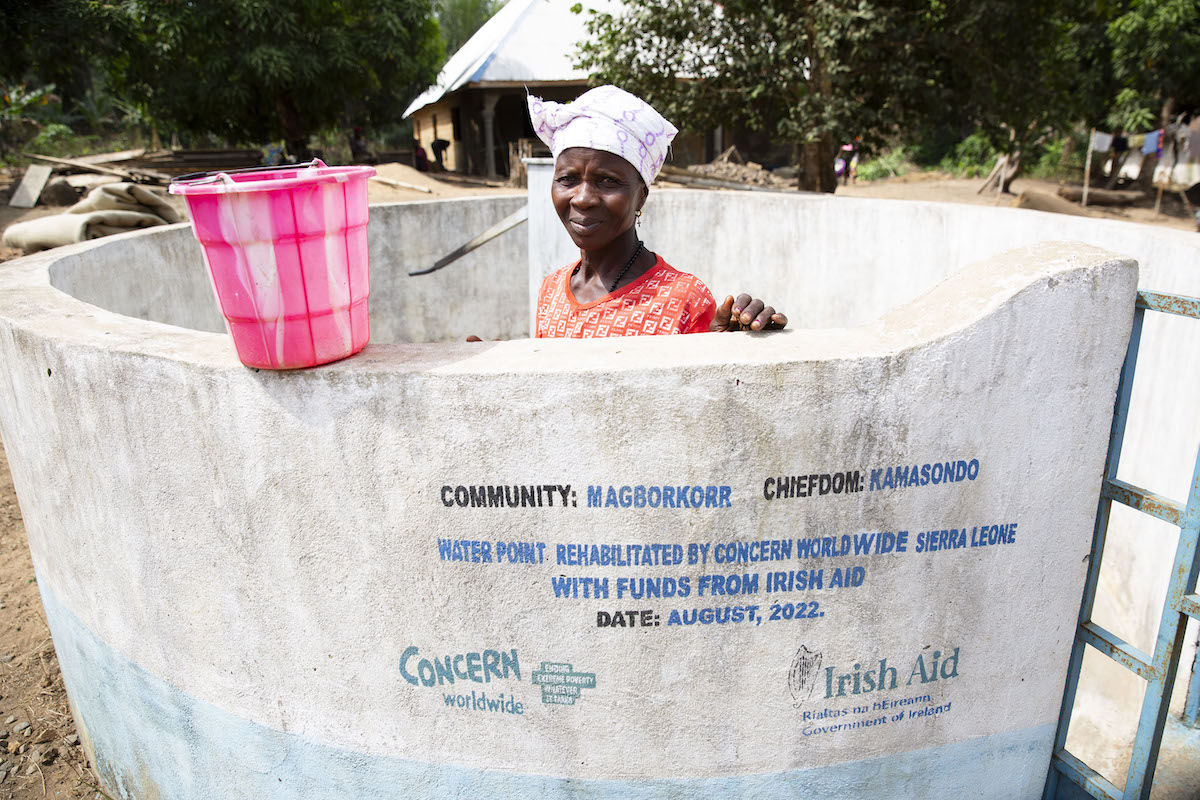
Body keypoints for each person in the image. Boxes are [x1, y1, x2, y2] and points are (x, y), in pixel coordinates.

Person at [527, 85, 787, 337]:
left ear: (641, 196)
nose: (582, 199)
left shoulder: (684, 300)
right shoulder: (551, 290)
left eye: (608, 181)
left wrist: (738, 345)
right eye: (567, 179)